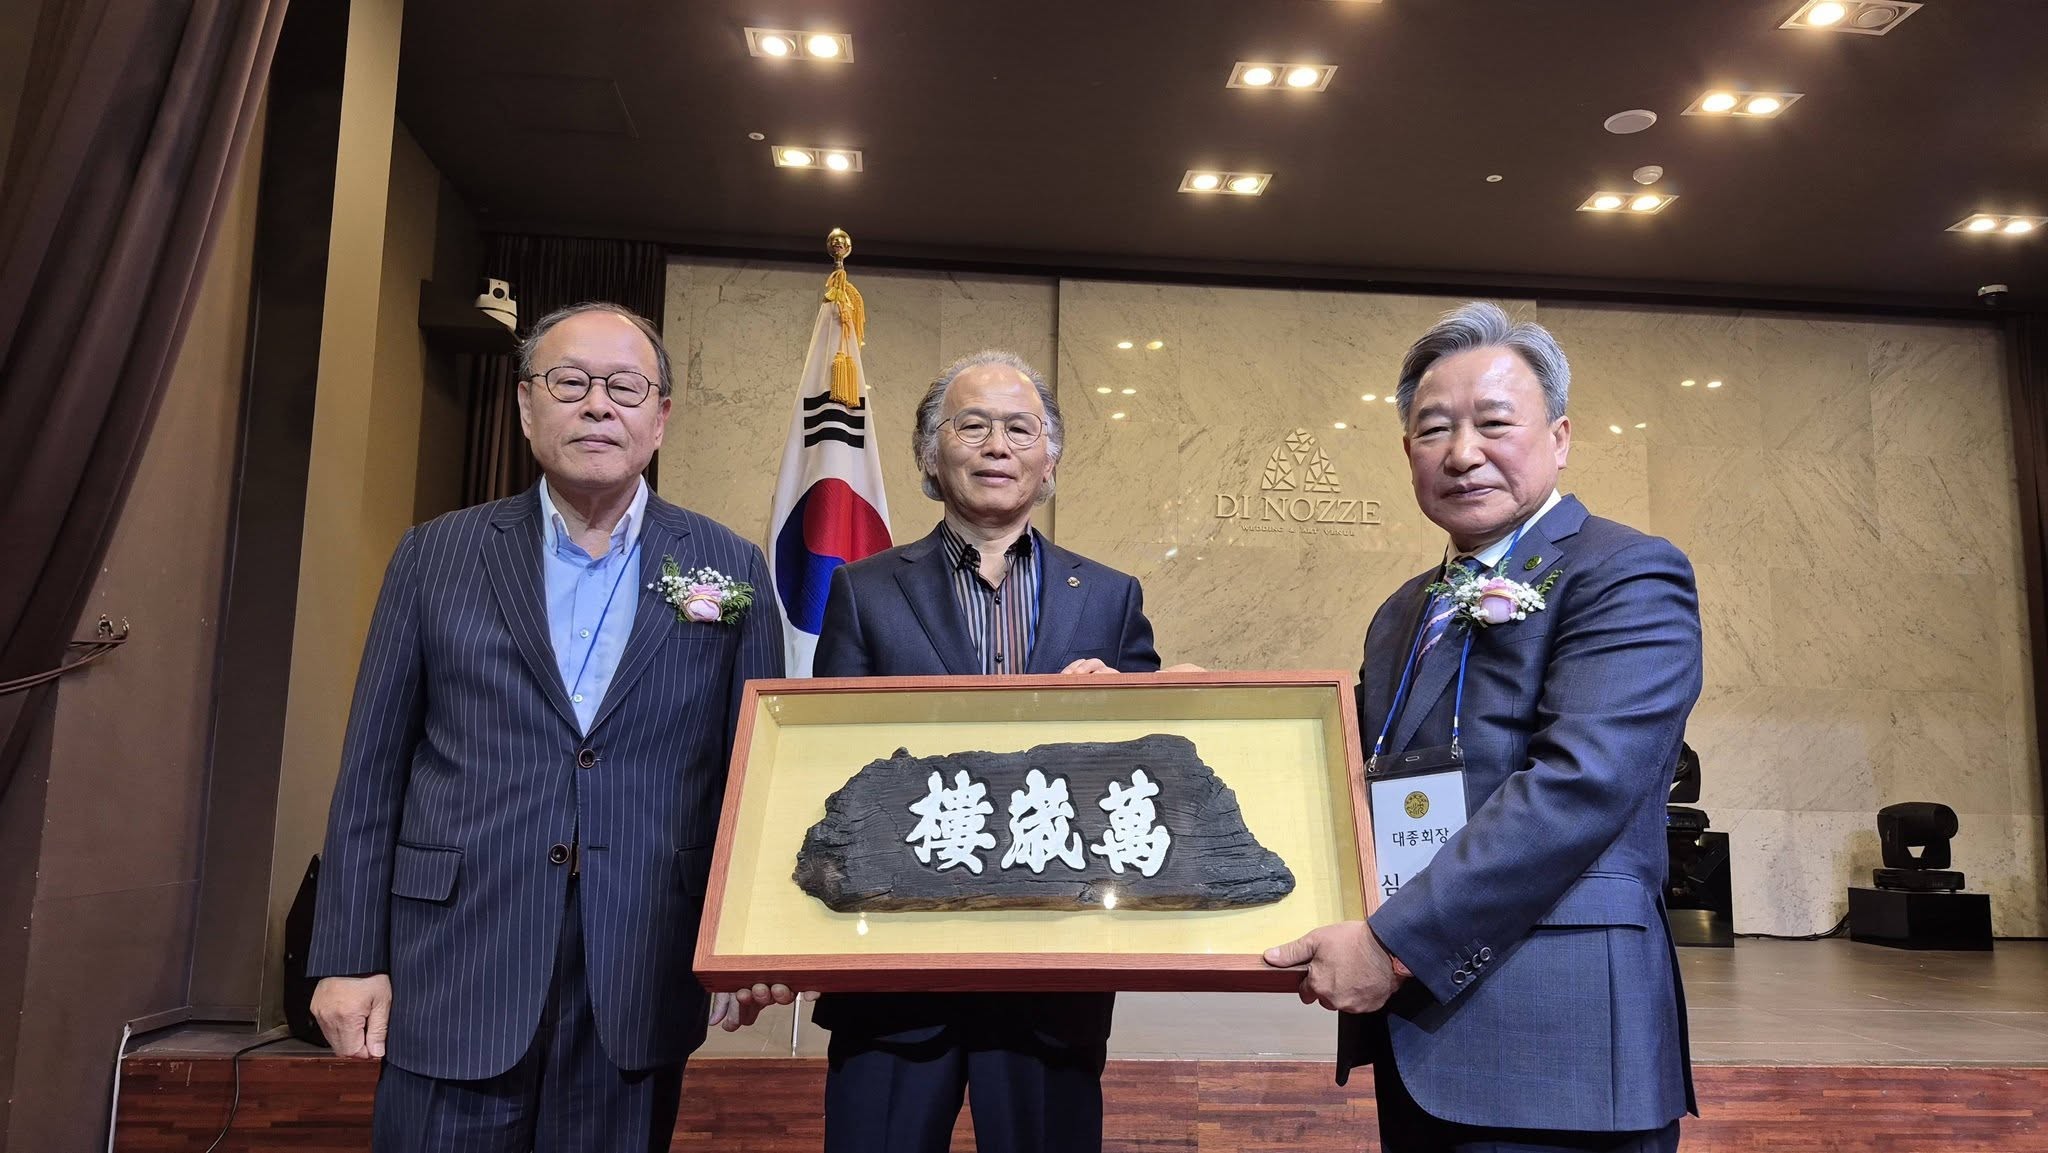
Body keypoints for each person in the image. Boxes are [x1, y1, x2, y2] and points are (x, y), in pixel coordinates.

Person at [305, 301, 785, 1151]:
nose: (598, 404)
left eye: (625, 387)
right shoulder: (434, 555)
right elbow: (372, 772)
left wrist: (748, 943)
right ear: (527, 406)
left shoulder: (728, 565)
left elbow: (754, 783)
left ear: (660, 417)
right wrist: (346, 953)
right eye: (570, 382)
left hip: (639, 961)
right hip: (455, 958)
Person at [1265, 302, 1701, 1152]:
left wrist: (1394, 946)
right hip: (1423, 1034)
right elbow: (1347, 767)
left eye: (1494, 422)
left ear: (1560, 437)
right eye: (1435, 429)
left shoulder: (1626, 573)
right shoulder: (1403, 611)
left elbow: (1577, 786)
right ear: (1408, 452)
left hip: (1561, 1049)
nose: (1463, 452)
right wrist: (1200, 706)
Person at [810, 349, 1161, 1153]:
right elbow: (830, 770)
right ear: (930, 454)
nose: (997, 445)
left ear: (1050, 458)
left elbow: (1145, 776)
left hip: (1053, 969)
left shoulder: (1111, 596)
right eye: (971, 425)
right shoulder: (864, 589)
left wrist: (1124, 706)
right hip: (895, 971)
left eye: (1019, 428)